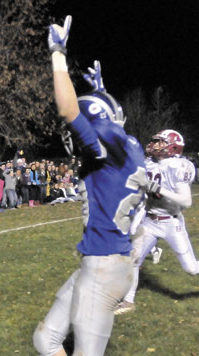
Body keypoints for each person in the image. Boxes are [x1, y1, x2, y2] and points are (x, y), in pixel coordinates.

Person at [33, 17, 147, 356]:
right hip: (104, 261)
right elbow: (106, 119)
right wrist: (100, 92)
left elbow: (69, 110)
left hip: (104, 264)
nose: (73, 141)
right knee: (45, 339)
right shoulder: (130, 145)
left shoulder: (107, 148)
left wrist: (57, 53)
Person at [115, 129, 198, 314]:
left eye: (160, 142)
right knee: (132, 259)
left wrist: (159, 188)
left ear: (172, 146)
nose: (155, 145)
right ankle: (128, 301)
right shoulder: (149, 164)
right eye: (156, 141)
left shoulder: (178, 166)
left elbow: (186, 201)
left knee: (192, 269)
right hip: (150, 221)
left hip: (171, 222)